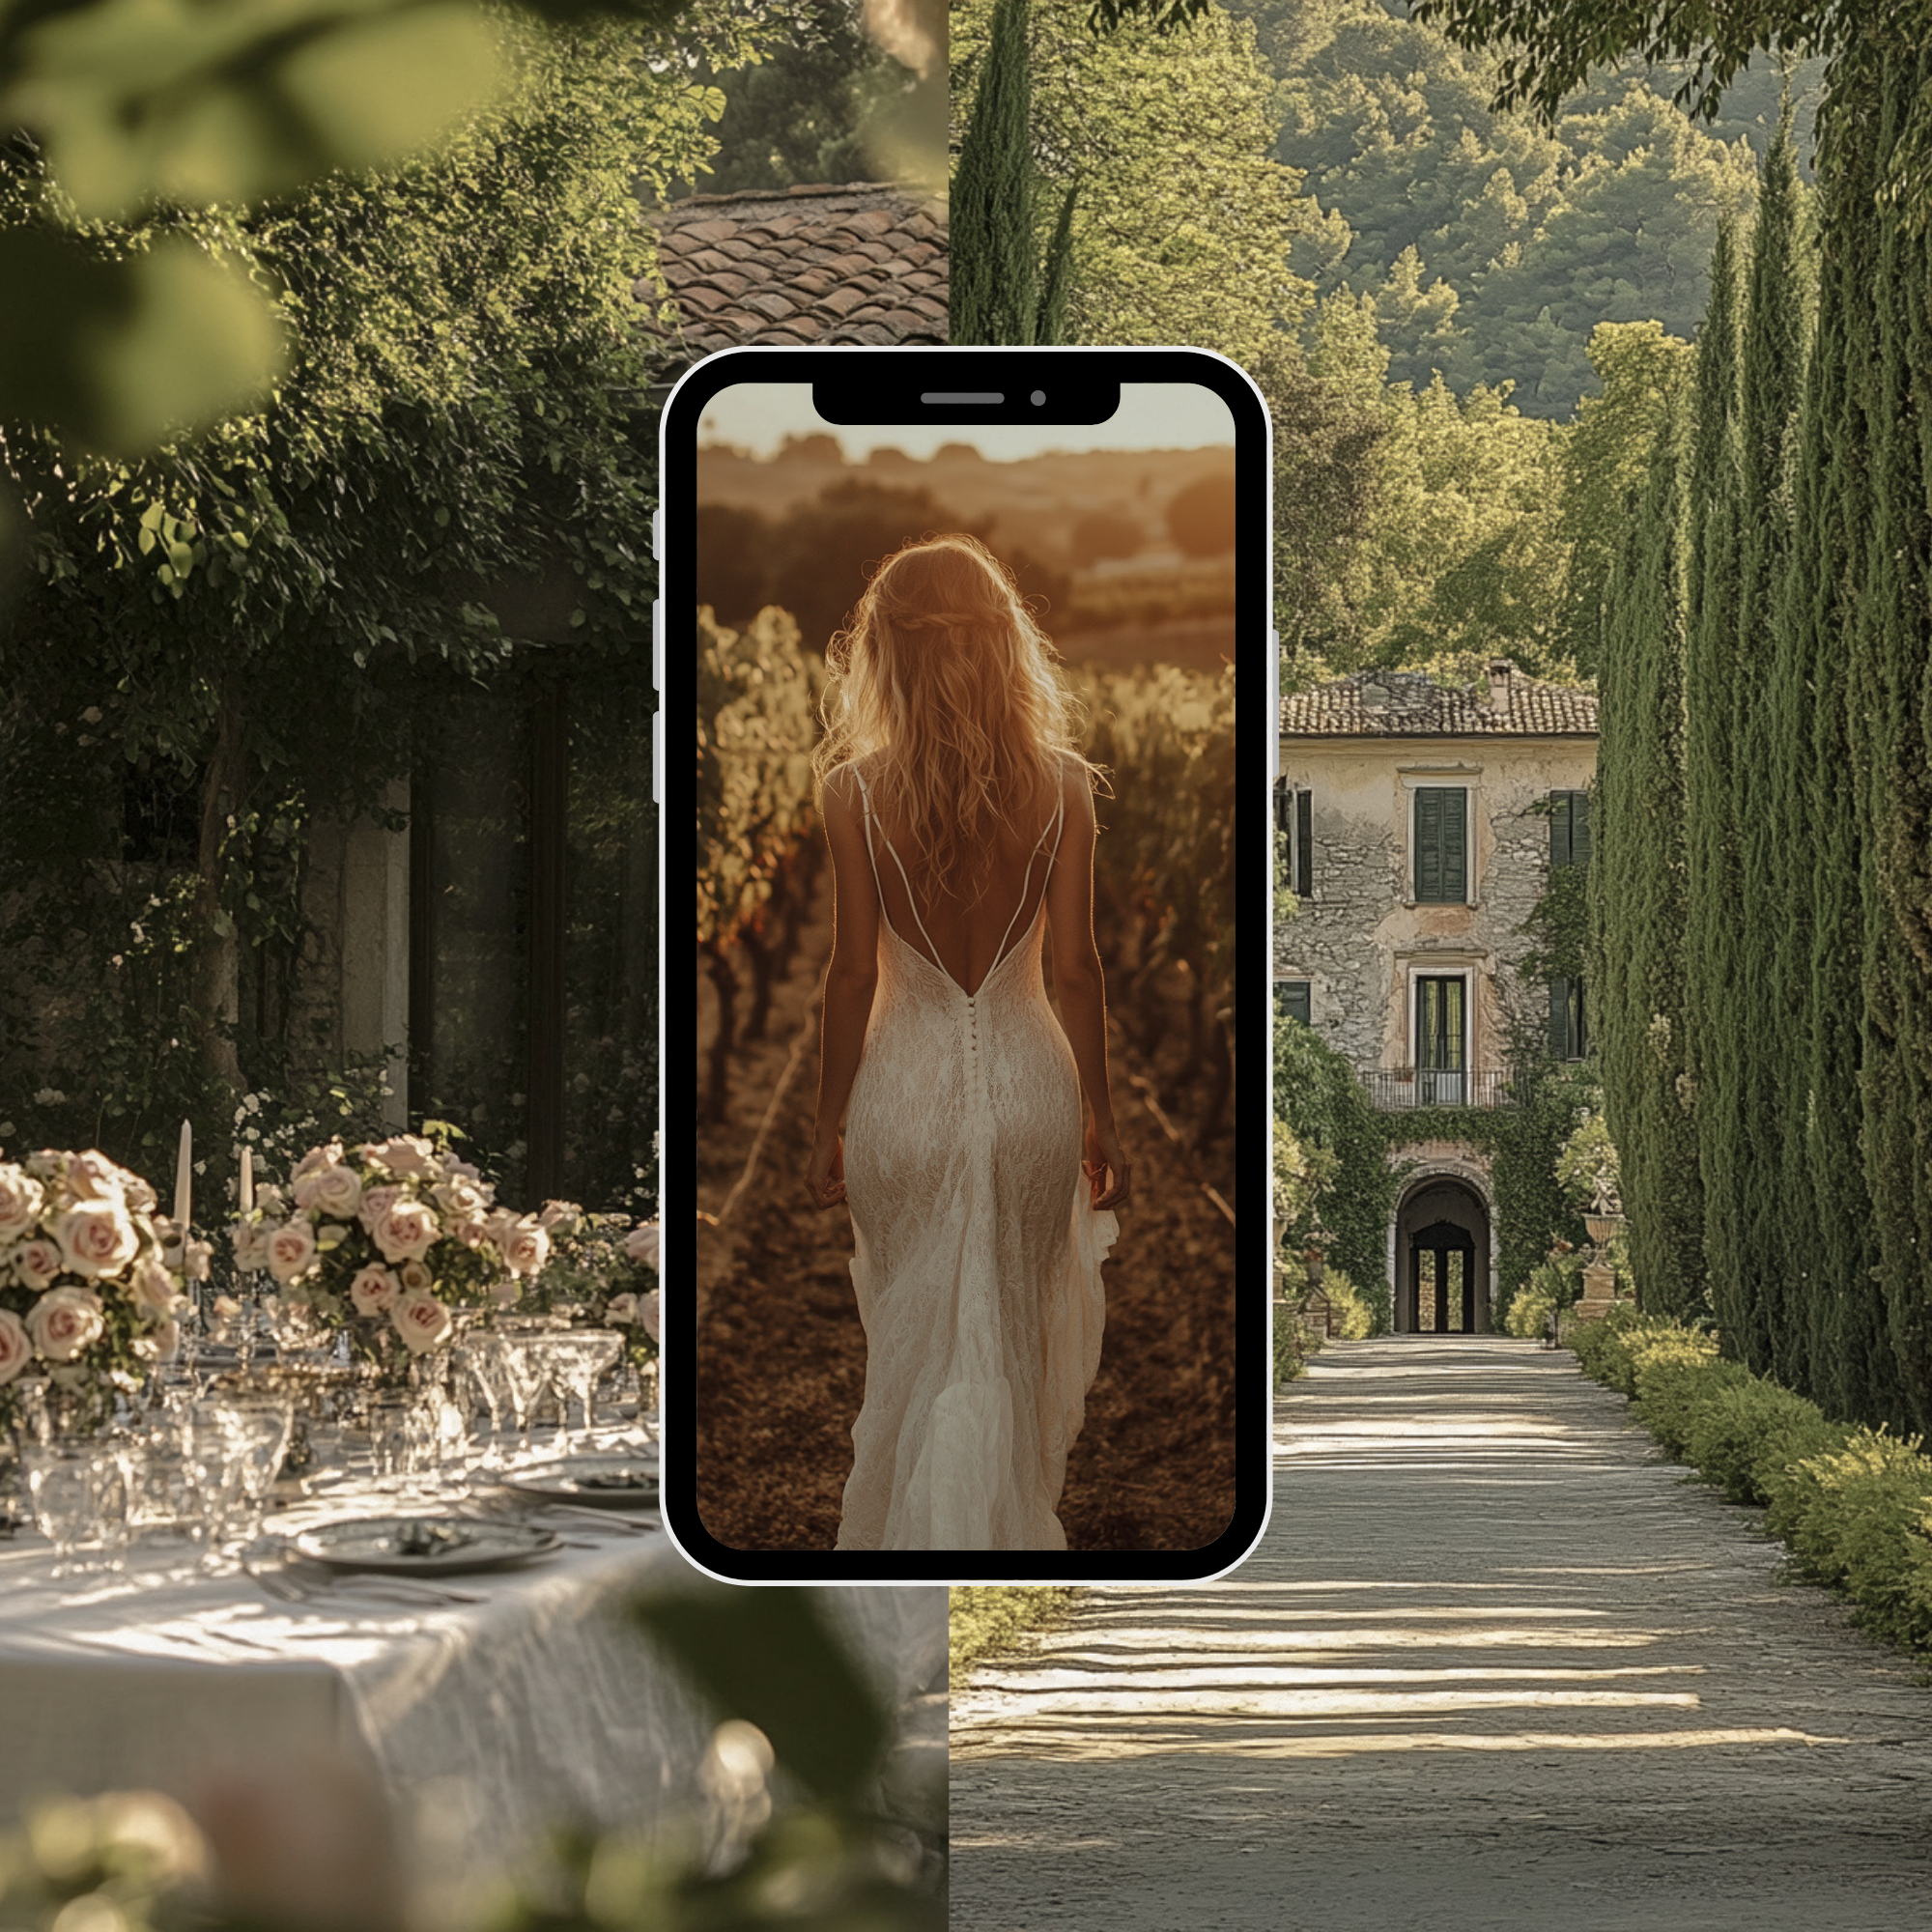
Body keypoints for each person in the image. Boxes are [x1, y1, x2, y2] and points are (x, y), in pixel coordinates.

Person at [806, 533, 1128, 1552]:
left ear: (882, 652)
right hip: (1033, 1088)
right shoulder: (1066, 786)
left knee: (913, 1344)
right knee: (1008, 1341)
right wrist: (1099, 1113)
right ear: (1005, 643)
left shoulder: (851, 794)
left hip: (900, 1091)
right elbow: (1075, 969)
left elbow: (851, 972)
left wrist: (827, 1118)